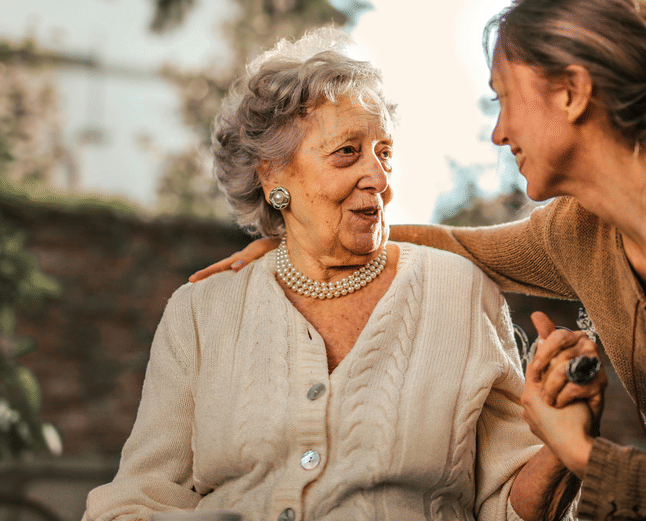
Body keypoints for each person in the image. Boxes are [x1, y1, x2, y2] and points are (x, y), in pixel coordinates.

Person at [191, 0, 646, 520]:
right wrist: (304, 241)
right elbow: (459, 245)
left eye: (505, 98)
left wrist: (582, 453)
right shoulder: (584, 229)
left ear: (572, 92)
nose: (499, 132)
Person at [84, 29, 599, 521]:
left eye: (385, 153)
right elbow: (139, 496)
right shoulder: (201, 312)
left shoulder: (460, 293)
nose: (378, 178)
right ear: (273, 175)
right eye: (347, 152)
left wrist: (560, 449)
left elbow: (509, 507)